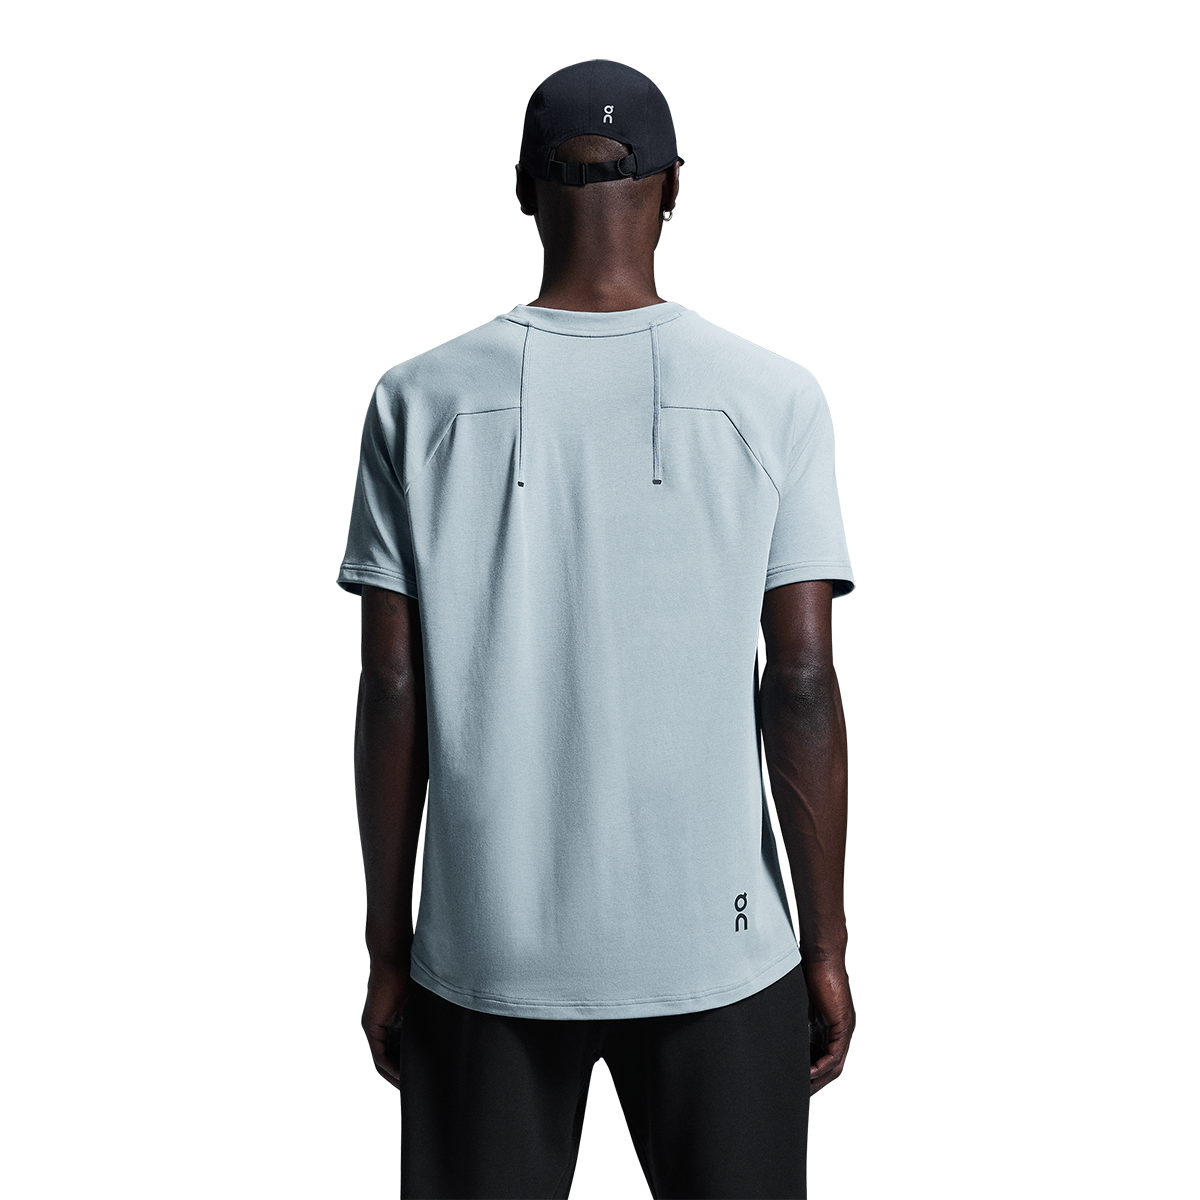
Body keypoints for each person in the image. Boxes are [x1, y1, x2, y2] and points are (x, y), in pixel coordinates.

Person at [338, 58, 855, 1200]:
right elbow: (802, 681)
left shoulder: (416, 399)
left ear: (525, 190)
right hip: (720, 941)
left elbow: (391, 690)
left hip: (485, 945)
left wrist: (385, 951)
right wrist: (826, 946)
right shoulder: (774, 397)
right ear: (675, 185)